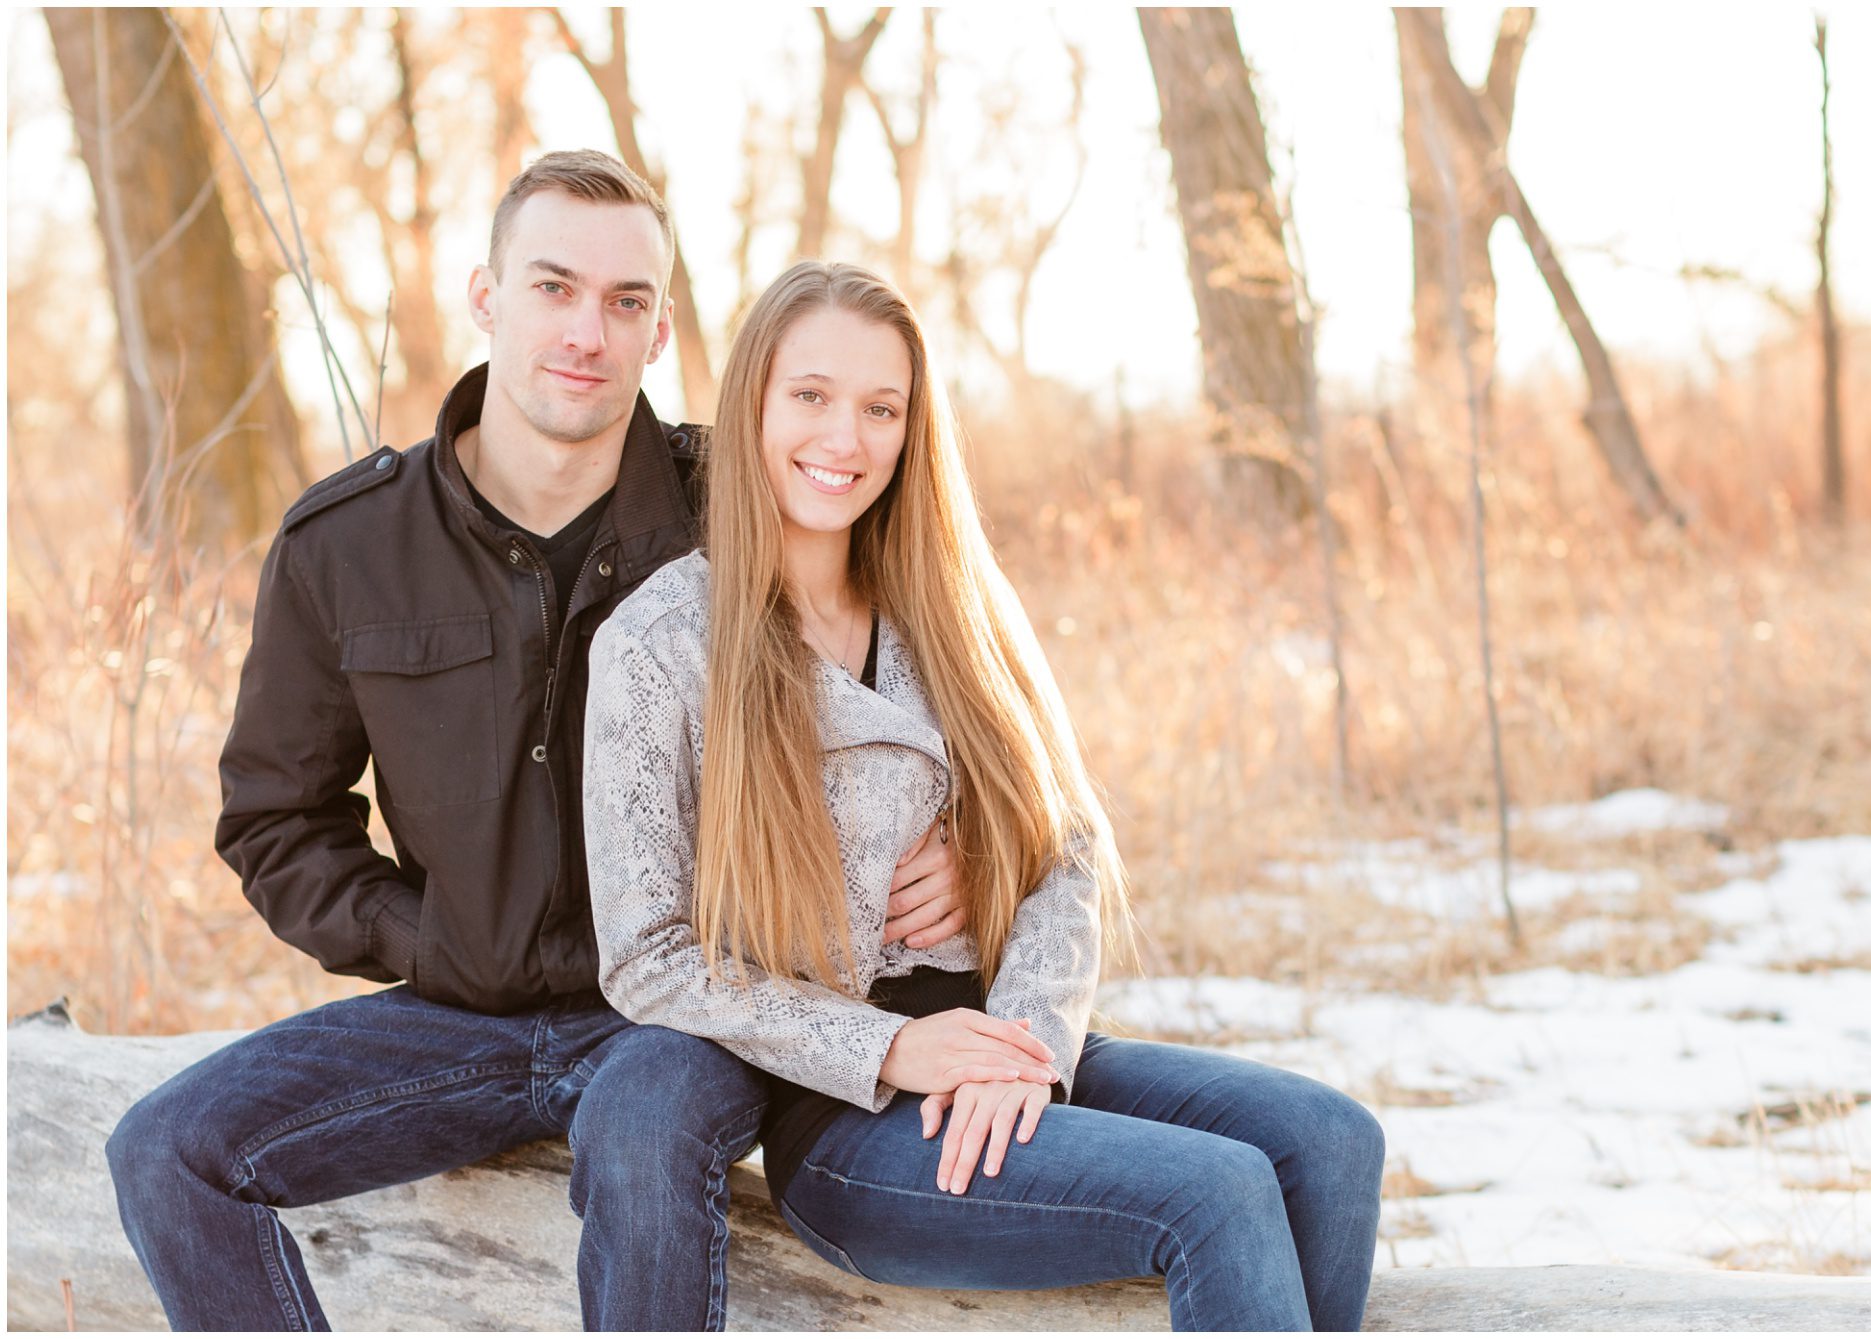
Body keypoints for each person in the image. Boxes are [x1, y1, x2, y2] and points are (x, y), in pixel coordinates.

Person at [103, 152, 969, 1332]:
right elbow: (274, 819)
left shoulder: (748, 502)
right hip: (459, 1008)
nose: (586, 332)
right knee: (165, 1152)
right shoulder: (344, 545)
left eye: (625, 303)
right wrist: (425, 937)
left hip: (686, 1011)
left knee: (641, 1128)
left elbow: (927, 679)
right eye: (553, 287)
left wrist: (965, 840)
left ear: (660, 333)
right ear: (485, 295)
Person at [582, 260, 1386, 1332]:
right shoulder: (662, 642)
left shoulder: (951, 605)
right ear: (752, 404)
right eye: (811, 397)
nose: (845, 438)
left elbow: (1068, 838)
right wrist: (892, 1050)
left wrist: (1032, 1050)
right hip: (851, 1108)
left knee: (1330, 1144)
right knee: (1217, 1196)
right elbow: (647, 956)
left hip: (1001, 1040)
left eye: (881, 408)